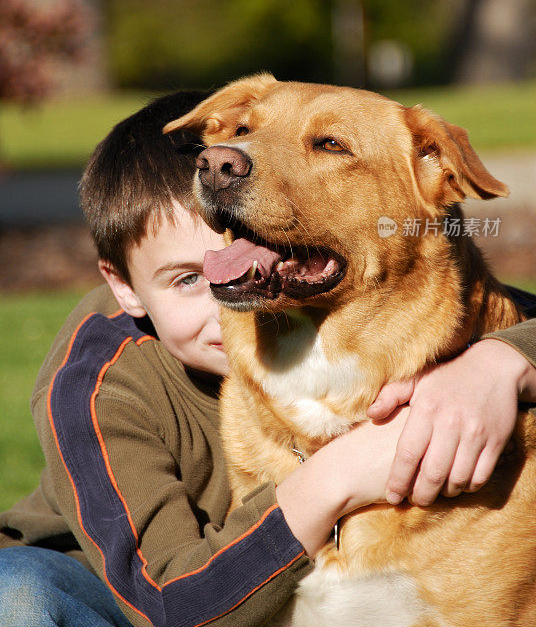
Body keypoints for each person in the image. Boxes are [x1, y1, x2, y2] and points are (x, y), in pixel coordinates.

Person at [0, 90, 535, 627]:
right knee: (17, 594)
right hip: (110, 594)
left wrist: (502, 361)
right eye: (189, 277)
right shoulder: (102, 376)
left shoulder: (476, 334)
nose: (217, 288)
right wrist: (342, 471)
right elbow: (168, 601)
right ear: (126, 288)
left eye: (329, 146)